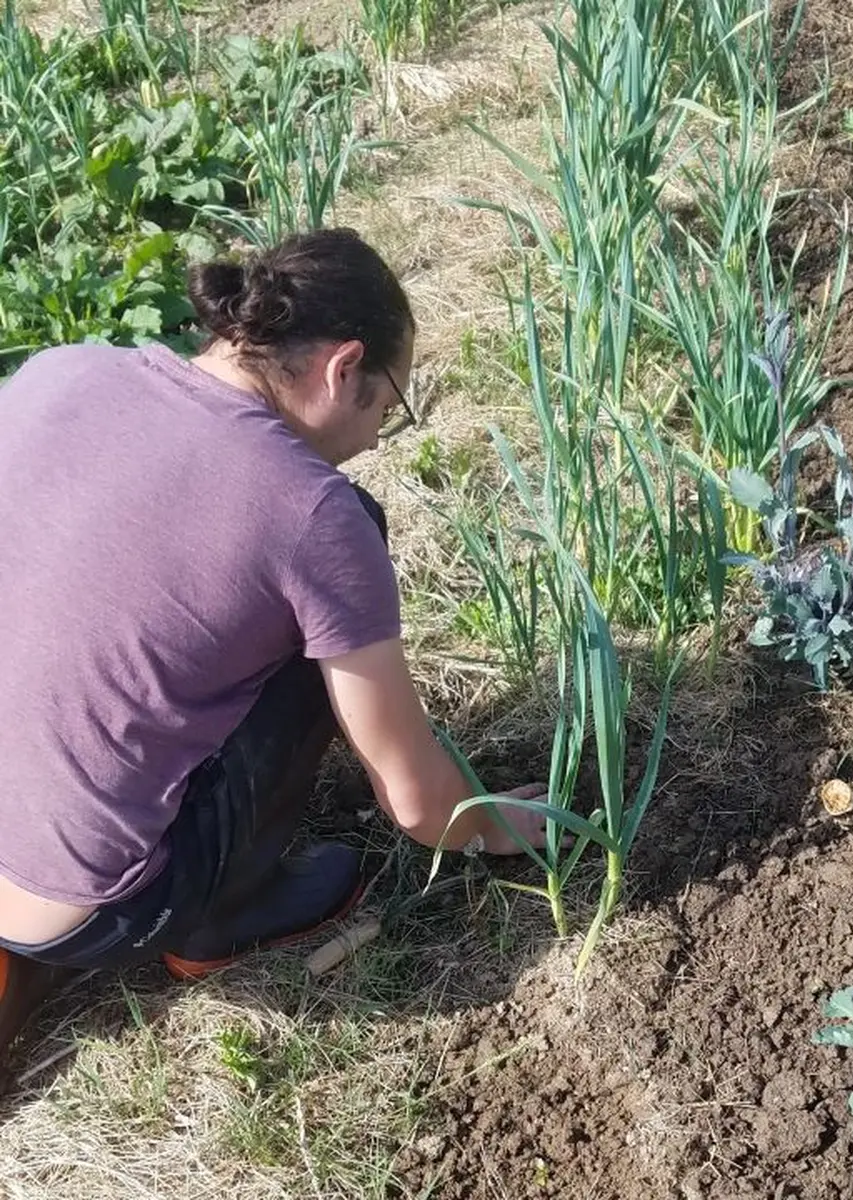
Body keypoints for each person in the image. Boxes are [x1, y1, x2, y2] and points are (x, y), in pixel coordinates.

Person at [0, 228, 547, 1063]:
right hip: (97, 913)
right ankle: (223, 915)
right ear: (343, 367)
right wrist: (505, 822)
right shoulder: (314, 514)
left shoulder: (61, 370)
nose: (375, 436)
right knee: (329, 582)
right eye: (388, 405)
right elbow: (420, 807)